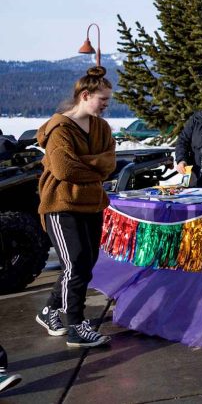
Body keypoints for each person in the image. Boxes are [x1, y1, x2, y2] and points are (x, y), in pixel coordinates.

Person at [35, 66, 115, 348]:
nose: (106, 105)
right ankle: (76, 326)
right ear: (85, 95)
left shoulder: (101, 127)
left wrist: (88, 166)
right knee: (75, 263)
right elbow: (63, 168)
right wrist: (94, 167)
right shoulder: (59, 129)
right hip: (61, 203)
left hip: (91, 203)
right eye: (102, 99)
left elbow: (109, 163)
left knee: (84, 264)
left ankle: (48, 311)